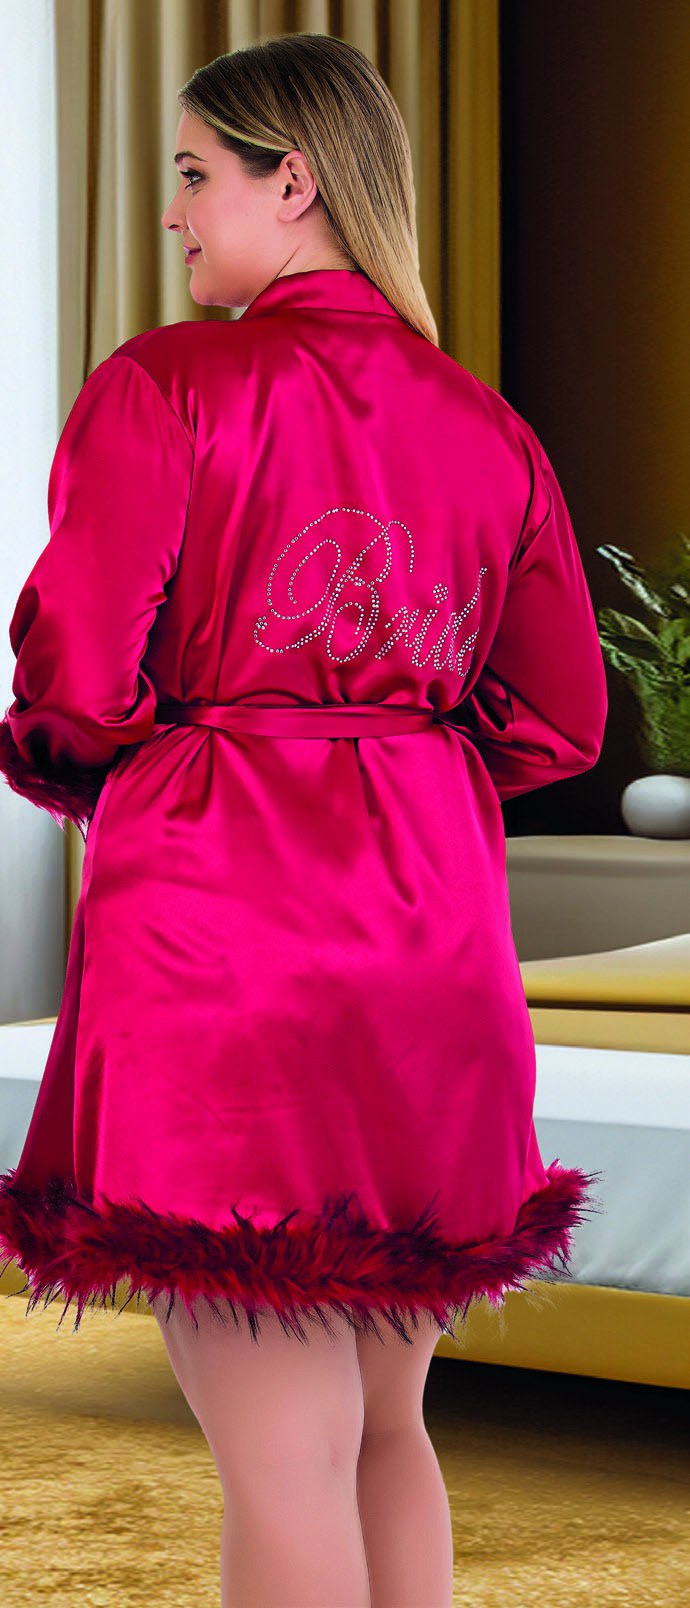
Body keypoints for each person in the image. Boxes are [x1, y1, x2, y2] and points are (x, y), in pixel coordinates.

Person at [0, 31, 608, 1608]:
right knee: (384, 1429)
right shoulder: (487, 428)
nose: (172, 212)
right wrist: (390, 764)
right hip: (429, 939)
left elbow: (75, 674)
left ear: (295, 181)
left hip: (225, 931)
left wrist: (133, 764)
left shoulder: (168, 386)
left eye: (193, 174)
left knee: (280, 1456)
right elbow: (557, 715)